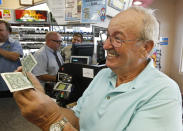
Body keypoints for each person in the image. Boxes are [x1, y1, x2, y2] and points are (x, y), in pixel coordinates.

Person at [13, 6, 182, 131]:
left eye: (118, 39)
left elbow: (55, 121)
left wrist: (50, 120)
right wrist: (45, 103)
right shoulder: (104, 75)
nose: (106, 45)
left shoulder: (163, 92)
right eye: (108, 36)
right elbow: (77, 118)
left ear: (145, 47)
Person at [0, 20, 23, 95]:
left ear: (8, 32)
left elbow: (14, 56)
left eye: (0, 30)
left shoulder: (14, 43)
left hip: (11, 86)